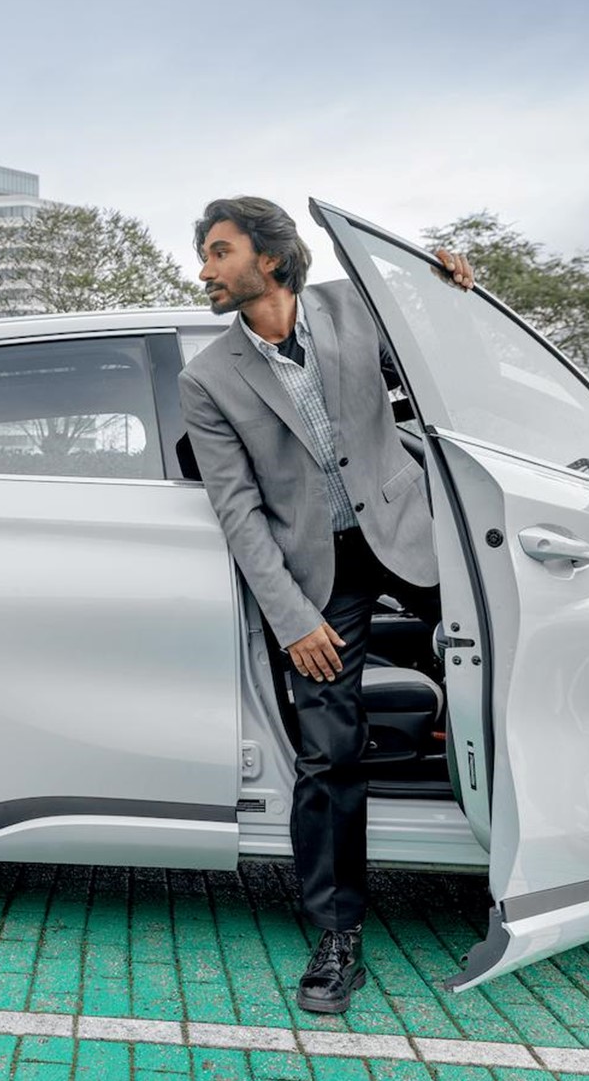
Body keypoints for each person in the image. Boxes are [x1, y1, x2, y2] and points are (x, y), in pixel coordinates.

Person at [178, 197, 473, 1014]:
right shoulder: (206, 377)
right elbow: (237, 512)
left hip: (411, 536)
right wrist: (293, 618)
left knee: (512, 660)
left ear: (271, 258)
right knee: (328, 752)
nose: (203, 268)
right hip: (316, 574)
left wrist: (450, 286)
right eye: (204, 253)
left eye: (218, 251)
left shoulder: (354, 307)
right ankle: (338, 933)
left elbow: (448, 350)